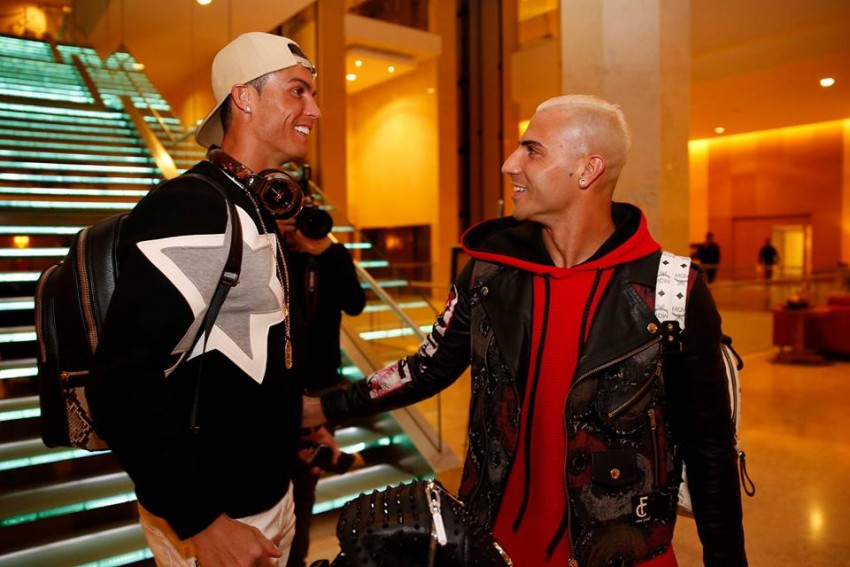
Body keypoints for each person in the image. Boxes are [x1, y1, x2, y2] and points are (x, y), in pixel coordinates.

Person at [304, 95, 747, 566]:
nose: (509, 164)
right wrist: (325, 406)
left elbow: (710, 446)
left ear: (588, 169)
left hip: (622, 554)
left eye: (532, 150)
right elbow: (426, 369)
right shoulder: (487, 275)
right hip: (492, 550)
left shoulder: (672, 289)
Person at [87, 32, 320, 566]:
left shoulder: (254, 204)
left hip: (268, 498)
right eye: (297, 91)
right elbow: (120, 384)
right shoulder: (194, 208)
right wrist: (202, 522)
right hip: (221, 523)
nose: (314, 110)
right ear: (244, 97)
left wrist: (298, 418)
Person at [281, 210, 366, 567]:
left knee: (305, 485)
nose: (305, 228)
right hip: (280, 385)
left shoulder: (333, 254)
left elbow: (356, 304)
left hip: (323, 383)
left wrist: (326, 252)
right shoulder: (274, 251)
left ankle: (296, 561)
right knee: (275, 485)